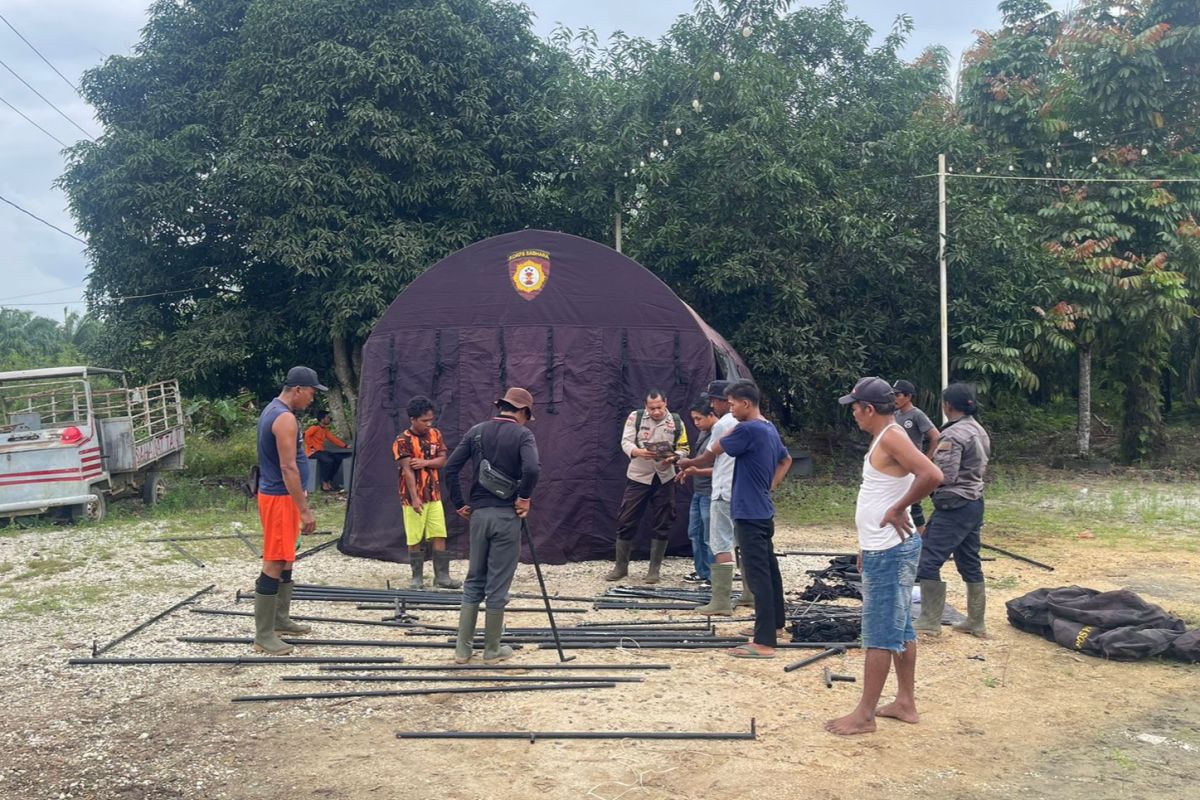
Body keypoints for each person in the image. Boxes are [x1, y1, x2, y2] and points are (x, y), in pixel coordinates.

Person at [825, 377, 943, 736]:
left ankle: (865, 714)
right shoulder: (886, 437)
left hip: (890, 550)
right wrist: (865, 543)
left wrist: (899, 508)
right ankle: (905, 702)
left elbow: (932, 474)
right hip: (882, 547)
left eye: (855, 408)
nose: (854, 415)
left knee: (879, 631)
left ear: (869, 409)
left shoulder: (891, 435)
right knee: (901, 625)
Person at [679, 380, 791, 657]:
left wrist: (688, 463)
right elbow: (785, 460)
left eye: (731, 404)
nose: (729, 409)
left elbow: (710, 455)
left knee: (758, 574)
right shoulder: (768, 427)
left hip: (749, 510)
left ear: (746, 403)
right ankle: (775, 625)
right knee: (769, 568)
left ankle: (764, 642)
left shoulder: (747, 428)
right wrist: (770, 486)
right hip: (762, 508)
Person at [443, 387, 540, 664]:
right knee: (498, 584)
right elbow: (532, 469)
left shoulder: (476, 431)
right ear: (522, 411)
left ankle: (462, 650)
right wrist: (524, 498)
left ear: (502, 406)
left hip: (478, 516)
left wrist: (460, 504)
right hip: (506, 517)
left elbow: (450, 468)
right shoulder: (523, 434)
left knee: (474, 579)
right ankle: (492, 649)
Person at [252, 366, 325, 655]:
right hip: (280, 499)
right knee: (273, 561)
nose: (312, 399)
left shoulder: (276, 411)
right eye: (311, 392)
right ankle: (263, 635)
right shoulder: (283, 418)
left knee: (286, 559)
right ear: (297, 390)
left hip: (283, 498)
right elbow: (287, 467)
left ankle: (280, 620)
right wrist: (304, 510)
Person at [914, 383, 992, 639]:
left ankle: (929, 621)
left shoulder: (953, 435)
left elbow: (943, 475)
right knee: (969, 560)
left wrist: (917, 485)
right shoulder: (978, 430)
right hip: (974, 502)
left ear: (948, 406)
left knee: (928, 559)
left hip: (954, 505)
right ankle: (976, 621)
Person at [605, 389, 689, 584]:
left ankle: (654, 570)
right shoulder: (636, 417)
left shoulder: (675, 421)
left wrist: (675, 457)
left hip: (665, 477)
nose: (656, 411)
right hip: (638, 476)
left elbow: (684, 448)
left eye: (659, 407)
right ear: (646, 406)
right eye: (652, 408)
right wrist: (637, 451)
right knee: (626, 519)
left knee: (663, 521)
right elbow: (625, 441)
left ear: (665, 403)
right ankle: (621, 567)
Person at [393, 395, 459, 590]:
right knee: (414, 537)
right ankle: (417, 577)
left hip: (434, 494)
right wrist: (414, 498)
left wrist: (424, 463)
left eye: (430, 419)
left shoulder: (435, 434)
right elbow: (407, 471)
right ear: (412, 419)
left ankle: (442, 577)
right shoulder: (402, 440)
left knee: (439, 534)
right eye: (424, 421)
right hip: (413, 497)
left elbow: (443, 460)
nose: (428, 424)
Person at [689, 380, 742, 615]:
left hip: (721, 490)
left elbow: (708, 457)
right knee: (743, 542)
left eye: (713, 400)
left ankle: (720, 601)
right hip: (741, 491)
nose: (711, 404)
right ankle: (749, 594)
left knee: (719, 543)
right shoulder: (752, 423)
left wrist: (687, 463)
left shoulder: (724, 425)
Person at [677, 400, 718, 586]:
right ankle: (701, 571)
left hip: (712, 492)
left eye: (699, 418)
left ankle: (713, 576)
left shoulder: (719, 434)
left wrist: (694, 470)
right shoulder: (703, 433)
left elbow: (721, 469)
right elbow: (698, 461)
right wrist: (688, 469)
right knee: (695, 532)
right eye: (693, 419)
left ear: (711, 415)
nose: (696, 423)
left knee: (711, 536)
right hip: (698, 490)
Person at [892, 380, 940, 533]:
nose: (894, 398)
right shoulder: (895, 415)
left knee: (914, 504)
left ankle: (923, 540)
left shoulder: (916, 415)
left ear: (908, 397)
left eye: (898, 395)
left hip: (913, 466)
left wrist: (926, 459)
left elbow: (936, 437)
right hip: (898, 466)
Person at [304, 411, 351, 492]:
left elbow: (333, 439)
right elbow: (306, 435)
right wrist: (311, 446)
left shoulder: (324, 430)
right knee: (328, 461)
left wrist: (345, 446)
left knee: (337, 459)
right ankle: (324, 483)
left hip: (321, 452)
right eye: (327, 417)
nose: (329, 419)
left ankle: (329, 480)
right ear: (322, 419)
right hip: (313, 452)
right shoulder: (314, 428)